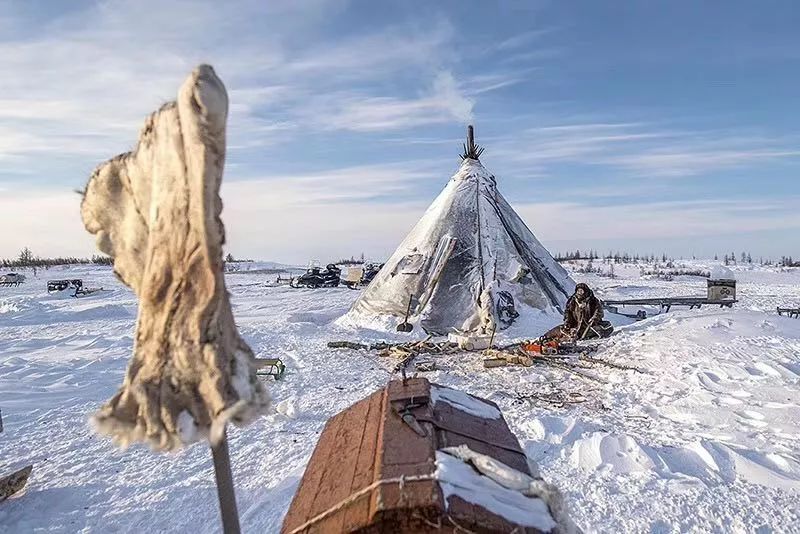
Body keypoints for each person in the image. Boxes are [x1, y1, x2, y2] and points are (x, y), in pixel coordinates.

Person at [544, 283, 613, 341]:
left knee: (593, 332)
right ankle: (545, 338)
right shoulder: (572, 301)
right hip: (576, 325)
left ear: (585, 291)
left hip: (589, 325)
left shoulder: (593, 301)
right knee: (561, 329)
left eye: (581, 291)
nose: (580, 293)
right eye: (578, 291)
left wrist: (594, 319)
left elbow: (599, 311)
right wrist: (567, 321)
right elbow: (568, 312)